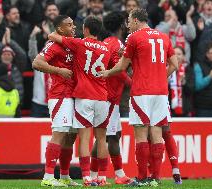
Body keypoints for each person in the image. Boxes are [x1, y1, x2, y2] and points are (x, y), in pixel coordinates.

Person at [101, 9, 179, 186]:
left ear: (136, 20)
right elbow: (175, 64)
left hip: (141, 91)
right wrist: (160, 76)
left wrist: (106, 73)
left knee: (141, 135)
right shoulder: (163, 37)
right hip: (160, 92)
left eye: (129, 20)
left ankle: (142, 177)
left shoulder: (135, 38)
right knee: (157, 134)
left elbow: (121, 67)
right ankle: (156, 178)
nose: (128, 24)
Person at [48, 15, 111, 186]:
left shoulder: (80, 43)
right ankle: (103, 177)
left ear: (86, 30)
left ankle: (86, 177)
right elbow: (116, 66)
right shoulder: (106, 48)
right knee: (102, 138)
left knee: (84, 138)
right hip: (102, 97)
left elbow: (53, 36)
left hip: (84, 96)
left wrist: (55, 33)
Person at [32, 15, 80, 187]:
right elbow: (37, 62)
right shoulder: (54, 45)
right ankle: (48, 176)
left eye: (74, 24)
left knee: (71, 136)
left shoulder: (72, 44)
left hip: (74, 95)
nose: (73, 27)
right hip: (60, 95)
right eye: (69, 25)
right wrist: (58, 70)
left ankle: (65, 176)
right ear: (60, 29)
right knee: (59, 133)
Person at [89, 11, 132, 185]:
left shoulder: (106, 42)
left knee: (113, 136)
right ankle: (97, 176)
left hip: (107, 97)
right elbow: (118, 70)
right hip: (107, 98)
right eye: (125, 22)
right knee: (105, 137)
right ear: (121, 25)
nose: (127, 25)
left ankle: (115, 174)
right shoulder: (116, 44)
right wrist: (133, 83)